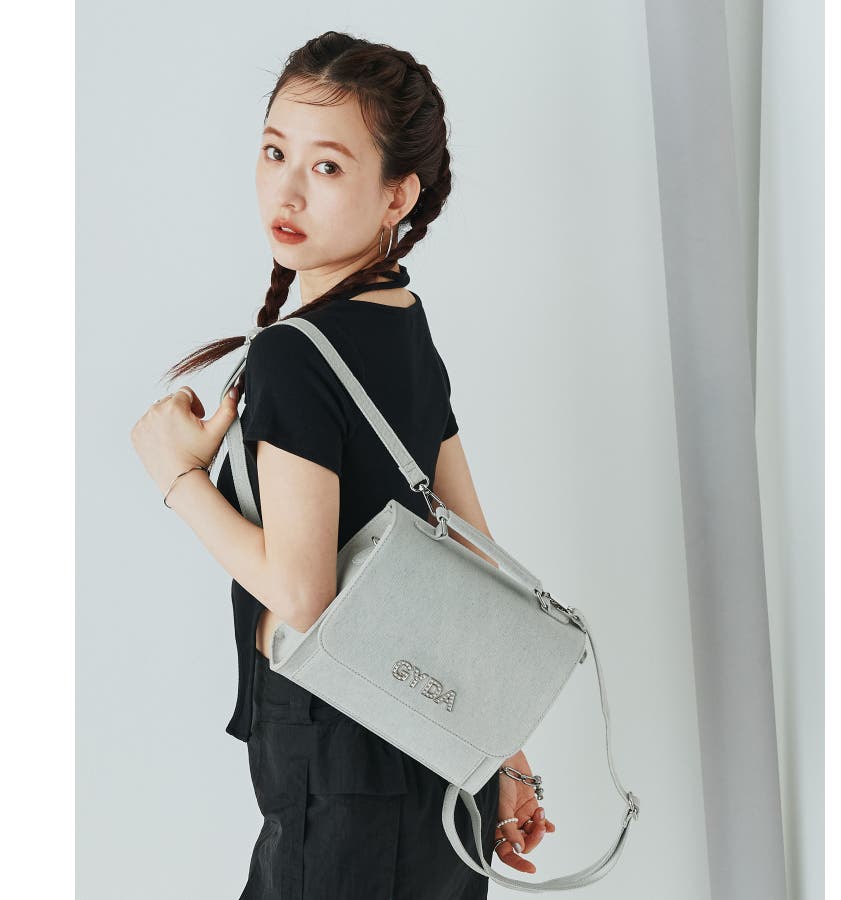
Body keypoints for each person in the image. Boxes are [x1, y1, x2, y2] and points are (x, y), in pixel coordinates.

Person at [131, 30, 555, 898]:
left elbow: (304, 596)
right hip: (439, 752)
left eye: (326, 166)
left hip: (345, 764)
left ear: (398, 193)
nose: (287, 190)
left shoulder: (295, 354)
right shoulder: (402, 320)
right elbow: (476, 554)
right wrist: (504, 751)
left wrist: (177, 479)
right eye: (274, 152)